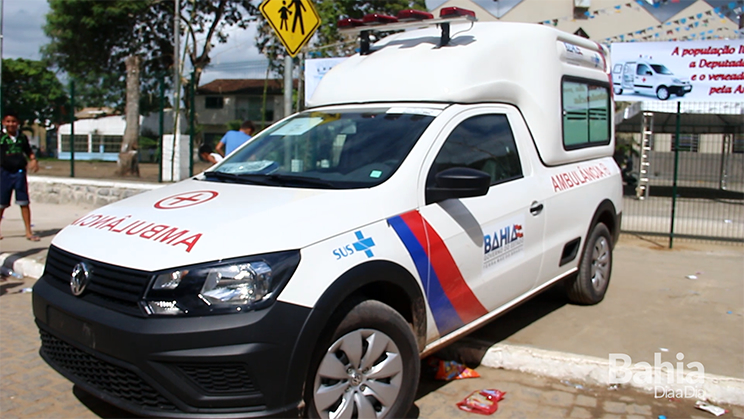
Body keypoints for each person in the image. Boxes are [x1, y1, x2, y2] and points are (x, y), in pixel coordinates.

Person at [0, 110, 40, 241]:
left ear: (18, 123)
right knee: (1, 204)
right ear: (3, 122)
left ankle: (28, 231)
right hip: (4, 173)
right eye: (8, 121)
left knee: (24, 202)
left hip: (19, 173)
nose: (11, 124)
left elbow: (28, 151)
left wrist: (33, 160)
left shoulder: (22, 137)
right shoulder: (1, 137)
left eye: (13, 121)